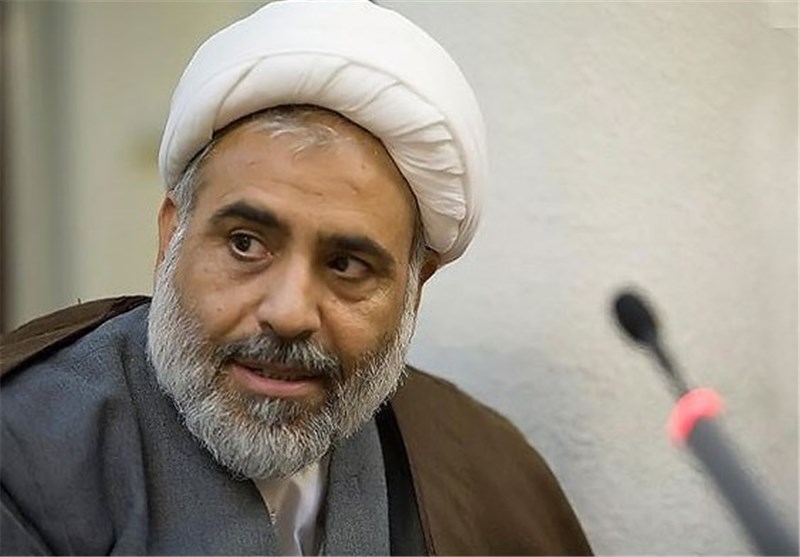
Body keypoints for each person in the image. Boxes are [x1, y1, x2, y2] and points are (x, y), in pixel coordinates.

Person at [1, 1, 592, 555]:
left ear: (415, 288)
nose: (288, 313)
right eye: (245, 244)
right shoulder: (23, 453)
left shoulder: (486, 470)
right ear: (171, 236)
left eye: (346, 265)